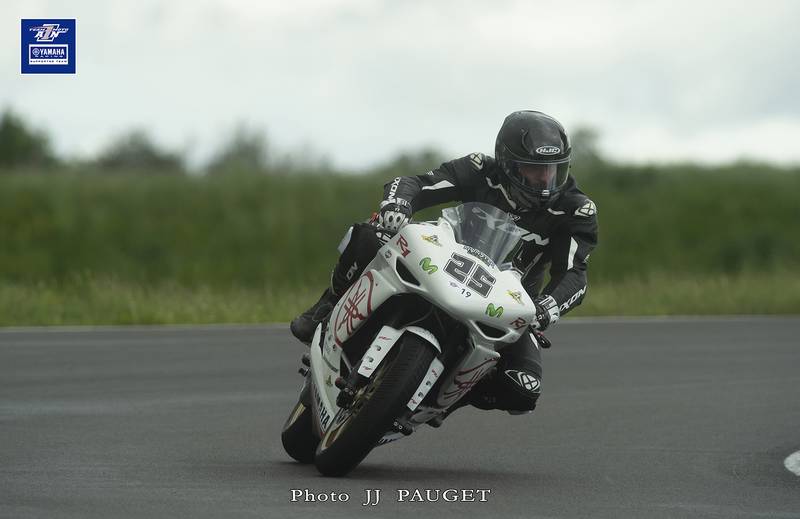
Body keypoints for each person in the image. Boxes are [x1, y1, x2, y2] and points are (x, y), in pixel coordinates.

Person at [290, 110, 598, 418]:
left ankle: (442, 400)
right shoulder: (480, 170)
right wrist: (398, 204)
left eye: (554, 169)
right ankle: (326, 308)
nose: (545, 180)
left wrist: (548, 306)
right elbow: (416, 183)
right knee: (369, 236)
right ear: (507, 163)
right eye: (534, 169)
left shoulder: (575, 209)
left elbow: (574, 273)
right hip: (442, 263)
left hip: (506, 302)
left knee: (524, 389)